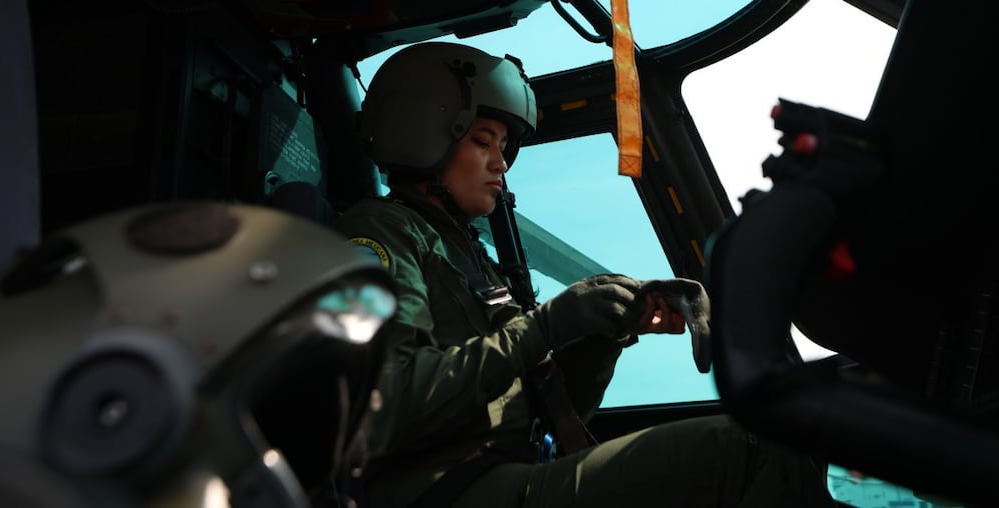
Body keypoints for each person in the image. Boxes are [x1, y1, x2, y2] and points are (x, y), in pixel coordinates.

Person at [331, 41, 836, 507]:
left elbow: (556, 413)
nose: (500, 164)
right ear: (425, 130)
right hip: (443, 491)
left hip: (505, 475)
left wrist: (604, 333)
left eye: (504, 147)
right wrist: (546, 326)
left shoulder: (467, 253)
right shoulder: (382, 233)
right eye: (484, 141)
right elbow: (389, 401)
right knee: (752, 450)